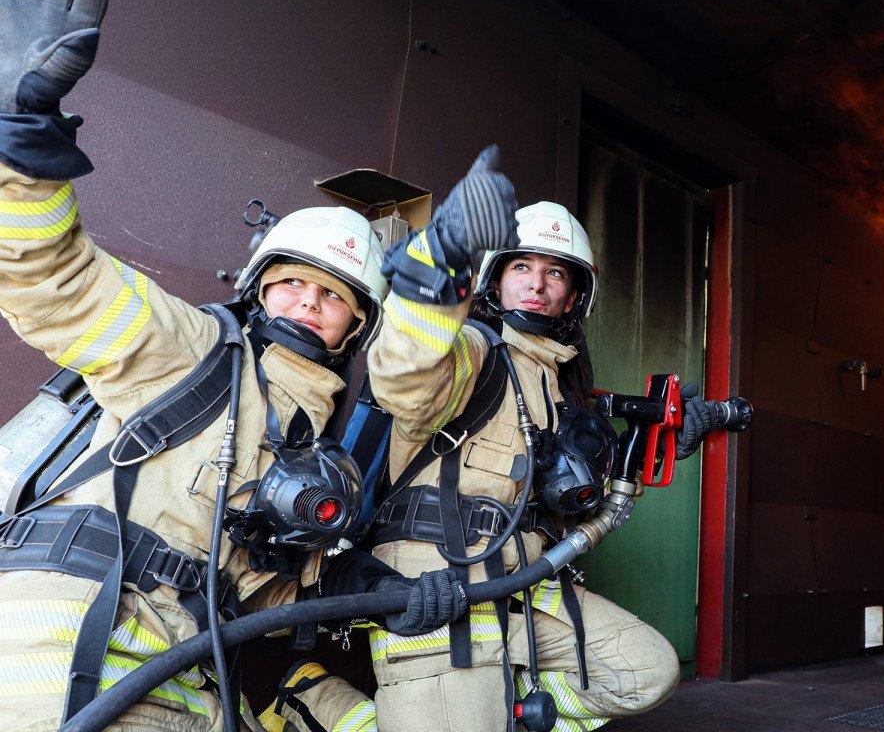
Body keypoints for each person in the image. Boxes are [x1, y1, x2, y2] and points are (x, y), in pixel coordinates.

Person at [0, 0, 458, 730]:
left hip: (187, 666)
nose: (308, 302)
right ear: (257, 289)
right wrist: (21, 133)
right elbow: (52, 278)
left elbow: (260, 590)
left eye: (332, 295)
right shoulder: (191, 348)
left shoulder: (314, 434)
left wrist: (381, 590)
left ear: (355, 326)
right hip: (72, 649)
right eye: (291, 283)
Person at [277, 147, 694, 732]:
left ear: (574, 296)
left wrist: (653, 449)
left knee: (646, 670)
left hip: (524, 589)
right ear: (496, 278)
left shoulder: (558, 386)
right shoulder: (473, 351)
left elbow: (570, 512)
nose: (537, 284)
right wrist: (438, 268)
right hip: (432, 590)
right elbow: (403, 374)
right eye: (522, 267)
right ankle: (307, 699)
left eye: (555, 273)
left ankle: (508, 710)